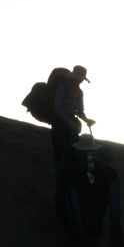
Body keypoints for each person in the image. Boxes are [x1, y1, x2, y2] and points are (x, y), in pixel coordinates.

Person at [63, 133, 124, 247]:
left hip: (94, 219)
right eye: (86, 151)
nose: (89, 153)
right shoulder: (71, 166)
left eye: (91, 151)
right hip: (75, 219)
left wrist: (98, 166)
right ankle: (80, 240)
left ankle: (116, 234)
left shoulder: (102, 167)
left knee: (112, 176)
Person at [51, 65, 96, 215]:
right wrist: (67, 121)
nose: (80, 81)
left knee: (71, 153)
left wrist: (86, 119)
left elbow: (79, 110)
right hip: (60, 124)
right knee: (60, 153)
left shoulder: (79, 92)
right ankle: (60, 181)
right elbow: (56, 107)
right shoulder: (63, 87)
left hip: (71, 125)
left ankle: (67, 180)